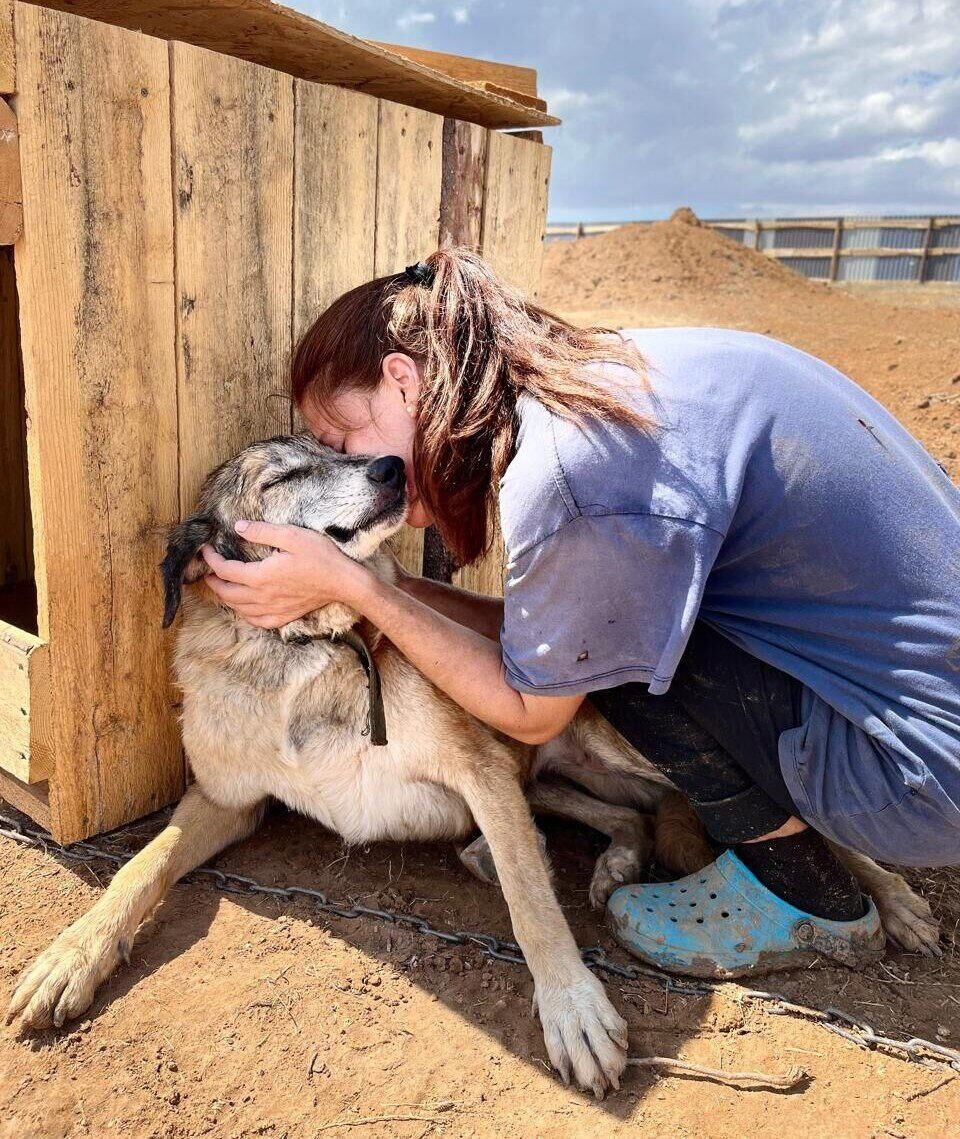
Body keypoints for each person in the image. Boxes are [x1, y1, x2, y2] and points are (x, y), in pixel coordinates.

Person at [200, 247, 960, 977]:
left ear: (403, 380)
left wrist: (360, 589)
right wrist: (381, 586)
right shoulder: (597, 383)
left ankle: (808, 895)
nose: (350, 468)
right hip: (911, 701)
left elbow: (535, 711)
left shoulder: (572, 476)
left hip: (917, 773)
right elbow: (544, 634)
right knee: (593, 630)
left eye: (342, 439)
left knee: (612, 647)